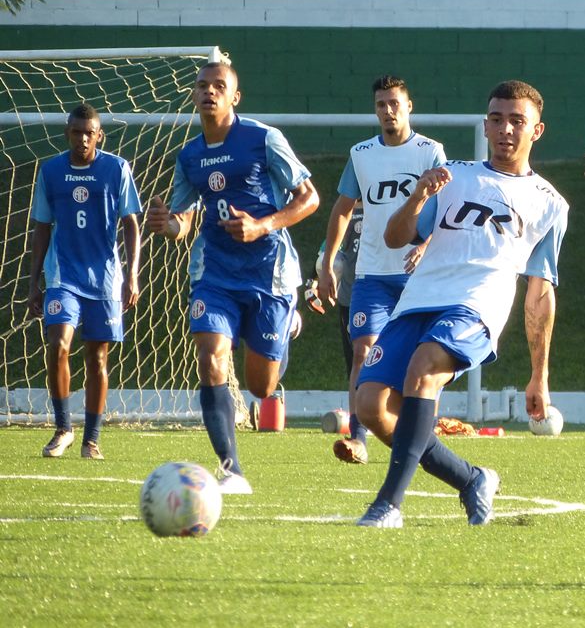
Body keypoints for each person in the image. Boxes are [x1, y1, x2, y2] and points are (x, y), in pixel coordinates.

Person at [353, 79, 568, 528]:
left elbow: (541, 291)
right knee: (370, 406)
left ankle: (388, 505)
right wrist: (418, 196)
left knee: (424, 370)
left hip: (475, 307)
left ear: (537, 130)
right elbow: (395, 239)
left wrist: (539, 374)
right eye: (496, 119)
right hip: (418, 301)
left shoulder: (549, 203)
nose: (505, 129)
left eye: (517, 121)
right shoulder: (451, 176)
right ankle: (471, 479)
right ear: (485, 126)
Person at [146, 60, 319, 494]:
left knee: (262, 386)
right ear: (194, 94)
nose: (210, 92)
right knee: (211, 359)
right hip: (215, 273)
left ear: (234, 97)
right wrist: (167, 223)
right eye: (203, 86)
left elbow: (309, 198)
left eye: (219, 86)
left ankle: (286, 324)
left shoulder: (263, 139)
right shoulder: (189, 155)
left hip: (268, 273)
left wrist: (263, 225)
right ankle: (231, 470)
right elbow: (184, 222)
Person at [316, 75, 446, 465]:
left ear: (409, 107)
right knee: (363, 351)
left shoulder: (430, 151)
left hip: (418, 277)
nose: (388, 111)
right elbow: (342, 210)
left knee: (420, 361)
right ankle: (358, 438)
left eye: (394, 103)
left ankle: (419, 431)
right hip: (372, 274)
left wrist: (424, 246)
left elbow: (448, 207)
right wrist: (328, 265)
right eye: (380, 105)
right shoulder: (362, 154)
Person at [28, 104, 142, 460]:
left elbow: (131, 224)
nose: (82, 139)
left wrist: (133, 274)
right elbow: (42, 227)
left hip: (105, 279)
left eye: (88, 133)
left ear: (99, 135)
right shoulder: (51, 172)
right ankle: (63, 428)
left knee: (97, 358)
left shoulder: (116, 169)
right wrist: (34, 281)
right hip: (63, 276)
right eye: (76, 132)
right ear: (68, 133)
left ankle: (91, 439)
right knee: (58, 344)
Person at [307, 201, 364, 380]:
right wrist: (313, 283)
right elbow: (328, 257)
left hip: (388, 292)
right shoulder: (346, 213)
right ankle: (359, 408)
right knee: (358, 360)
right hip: (352, 297)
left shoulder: (387, 207)